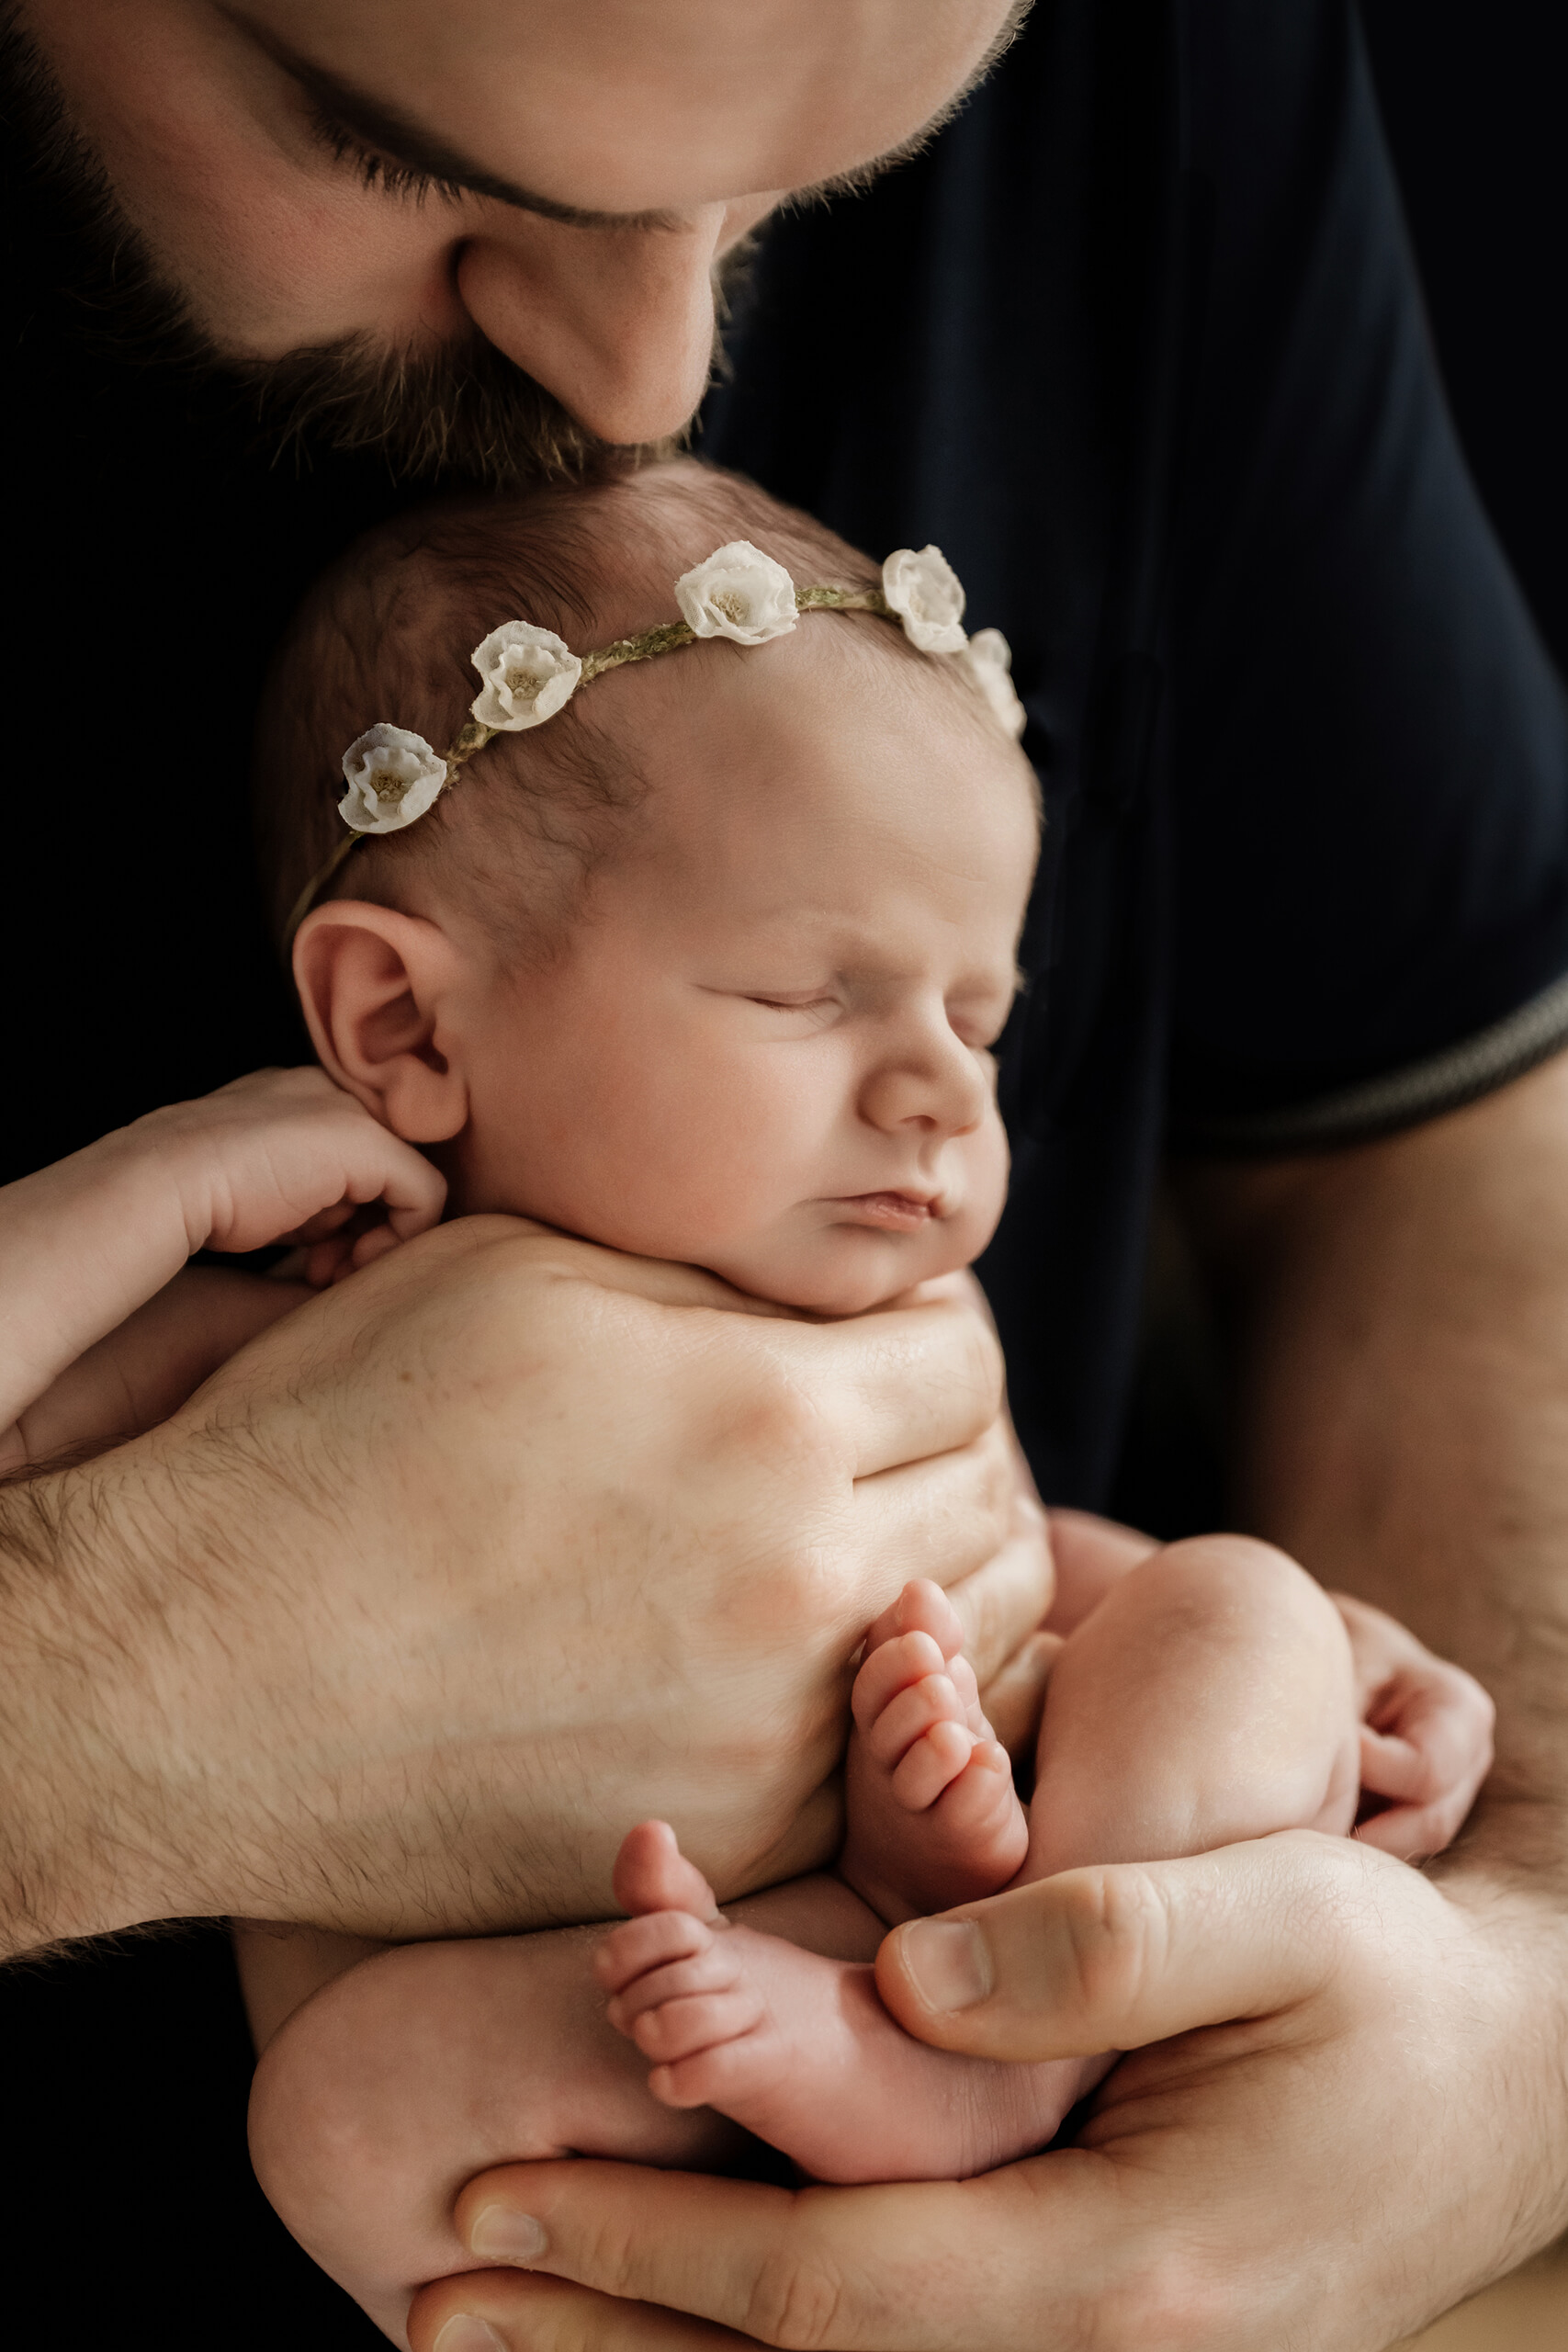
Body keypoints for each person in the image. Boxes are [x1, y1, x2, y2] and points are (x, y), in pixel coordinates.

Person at [5, 2, 1568, 2347]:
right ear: (406, 1023)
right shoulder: (324, 1244)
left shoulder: (1163, 90)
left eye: (982, 1015)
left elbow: (1441, 1127)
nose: (653, 371)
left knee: (1231, 1609)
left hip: (997, 1889)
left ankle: (1013, 2021)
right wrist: (100, 1680)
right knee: (344, 2103)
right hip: (614, 2019)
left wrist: (1519, 1923)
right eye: (398, 148)